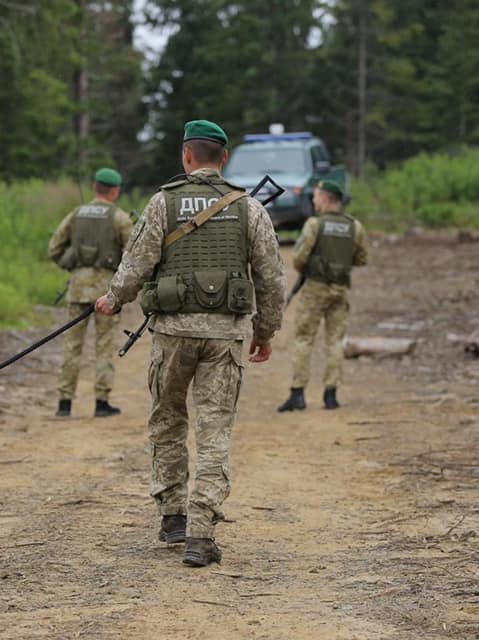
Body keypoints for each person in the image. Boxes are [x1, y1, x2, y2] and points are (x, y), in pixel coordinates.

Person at [95, 120, 286, 567]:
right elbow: (272, 278)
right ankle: (201, 534)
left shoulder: (163, 202)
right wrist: (265, 332)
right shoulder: (249, 209)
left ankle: (173, 516)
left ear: (185, 155)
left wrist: (113, 298)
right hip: (225, 336)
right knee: (214, 430)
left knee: (167, 422)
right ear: (223, 158)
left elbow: (137, 260)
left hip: (173, 333)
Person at [277, 179, 368, 412]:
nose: (314, 200)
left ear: (326, 199)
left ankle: (298, 393)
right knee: (335, 341)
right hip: (341, 289)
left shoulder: (314, 225)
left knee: (304, 339)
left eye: (316, 196)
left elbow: (299, 259)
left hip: (315, 289)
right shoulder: (354, 226)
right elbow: (361, 259)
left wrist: (312, 267)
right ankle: (331, 395)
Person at [49, 168, 133, 417]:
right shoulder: (120, 218)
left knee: (72, 346)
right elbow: (133, 255)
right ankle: (101, 402)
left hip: (77, 287)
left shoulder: (76, 214)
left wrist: (73, 265)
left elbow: (55, 248)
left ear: (95, 187)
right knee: (104, 346)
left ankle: (64, 404)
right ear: (115, 190)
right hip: (107, 291)